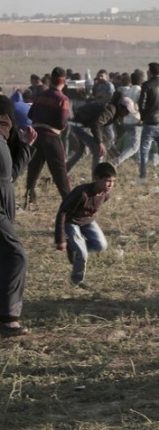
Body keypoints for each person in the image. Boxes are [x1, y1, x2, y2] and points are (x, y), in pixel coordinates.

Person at [0, 96, 36, 337]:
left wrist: (25, 147)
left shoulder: (3, 142)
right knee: (16, 256)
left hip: (4, 209)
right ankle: (9, 319)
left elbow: (10, 176)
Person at [54, 162, 116, 286]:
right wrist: (60, 239)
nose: (110, 185)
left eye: (113, 181)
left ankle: (75, 249)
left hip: (88, 221)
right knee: (82, 254)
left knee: (101, 245)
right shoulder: (82, 193)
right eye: (107, 181)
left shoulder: (105, 195)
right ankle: (77, 281)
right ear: (96, 178)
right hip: (71, 222)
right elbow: (62, 212)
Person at [25, 67, 72, 208]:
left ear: (51, 80)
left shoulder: (40, 95)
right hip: (51, 137)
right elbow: (62, 123)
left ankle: (29, 200)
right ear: (63, 81)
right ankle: (69, 203)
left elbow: (30, 114)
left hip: (36, 136)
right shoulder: (62, 99)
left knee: (33, 169)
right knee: (60, 172)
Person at [67, 94, 135, 175]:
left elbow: (98, 123)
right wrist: (99, 142)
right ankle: (98, 178)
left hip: (80, 124)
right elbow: (96, 125)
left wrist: (101, 139)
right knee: (99, 151)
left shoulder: (112, 110)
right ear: (121, 107)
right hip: (79, 126)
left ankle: (64, 171)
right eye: (127, 111)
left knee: (83, 151)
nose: (127, 113)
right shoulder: (110, 111)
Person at [138, 62, 159, 185]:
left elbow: (142, 103)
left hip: (150, 121)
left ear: (149, 71)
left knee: (144, 150)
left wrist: (143, 117)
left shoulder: (146, 85)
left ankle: (143, 176)